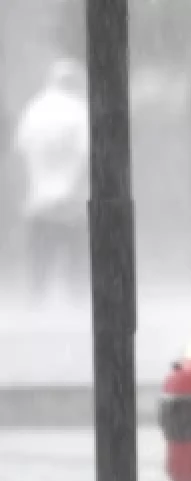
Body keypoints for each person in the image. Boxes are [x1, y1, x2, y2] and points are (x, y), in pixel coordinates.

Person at [11, 58, 90, 304]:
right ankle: (78, 301)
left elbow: (19, 151)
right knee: (76, 260)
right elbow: (88, 153)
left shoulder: (33, 110)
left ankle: (36, 299)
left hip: (39, 198)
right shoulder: (78, 110)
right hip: (71, 197)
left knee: (40, 259)